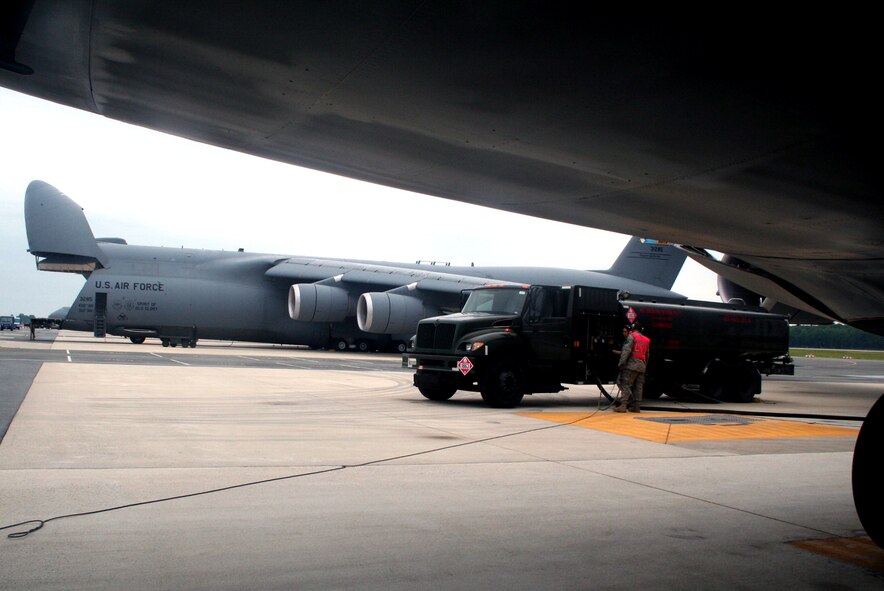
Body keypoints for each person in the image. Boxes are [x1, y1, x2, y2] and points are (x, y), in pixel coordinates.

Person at [612, 322, 650, 413]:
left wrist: (621, 363)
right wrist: (645, 365)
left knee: (626, 384)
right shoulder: (646, 339)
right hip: (642, 366)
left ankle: (623, 406)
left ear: (633, 328)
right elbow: (647, 355)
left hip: (632, 365)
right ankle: (637, 407)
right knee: (638, 387)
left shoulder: (632, 336)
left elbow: (626, 351)